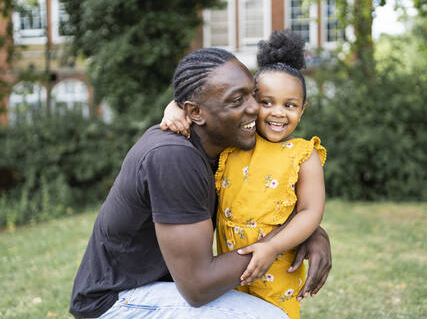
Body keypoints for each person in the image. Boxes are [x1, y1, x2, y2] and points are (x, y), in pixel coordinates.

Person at [70, 47, 332, 319]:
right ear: (195, 112)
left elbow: (261, 199)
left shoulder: (226, 149)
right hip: (117, 300)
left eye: (252, 94)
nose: (256, 108)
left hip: (161, 287)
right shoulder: (173, 157)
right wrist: (282, 241)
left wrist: (310, 231)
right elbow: (198, 287)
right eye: (237, 100)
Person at [160, 30, 326, 318]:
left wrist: (272, 247)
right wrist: (173, 107)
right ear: (251, 102)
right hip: (228, 270)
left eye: (290, 105)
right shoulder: (233, 142)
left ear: (303, 109)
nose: (278, 113)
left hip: (277, 271)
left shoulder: (303, 154)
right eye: (266, 102)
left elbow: (311, 211)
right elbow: (201, 109)